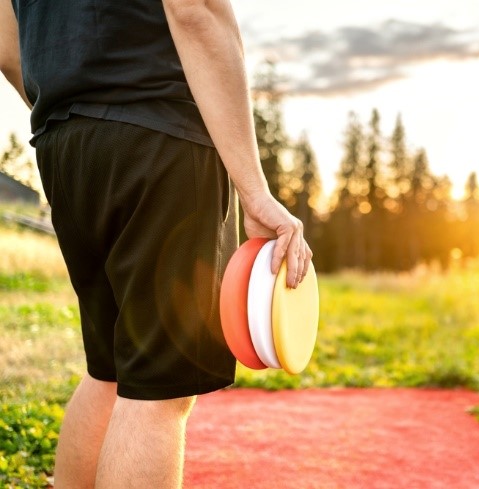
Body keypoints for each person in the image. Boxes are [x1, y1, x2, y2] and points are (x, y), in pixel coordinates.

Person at [0, 0, 313, 487]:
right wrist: (255, 190)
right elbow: (195, 10)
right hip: (160, 136)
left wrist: (75, 110)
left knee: (108, 369)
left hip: (61, 141)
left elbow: (5, 41)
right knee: (159, 389)